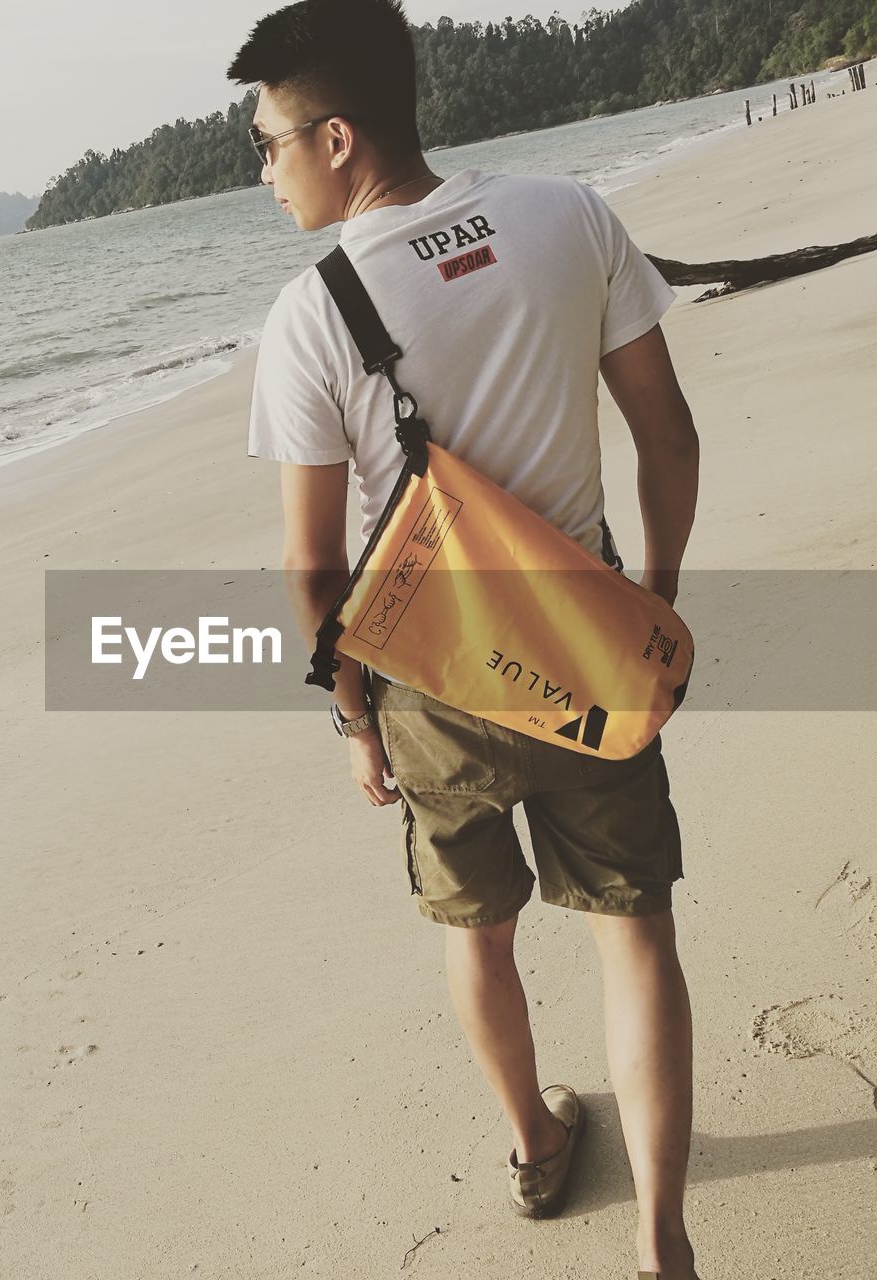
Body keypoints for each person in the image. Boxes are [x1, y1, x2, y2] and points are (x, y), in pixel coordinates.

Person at [227, 3, 702, 1278]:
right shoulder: (567, 213)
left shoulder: (311, 313)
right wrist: (647, 608)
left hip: (436, 679)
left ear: (335, 136)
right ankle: (661, 1237)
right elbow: (668, 437)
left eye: (266, 140)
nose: (260, 167)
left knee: (474, 930)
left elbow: (311, 567)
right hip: (591, 645)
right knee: (632, 928)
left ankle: (537, 1141)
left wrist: (350, 718)